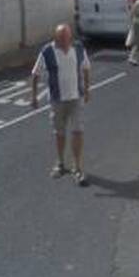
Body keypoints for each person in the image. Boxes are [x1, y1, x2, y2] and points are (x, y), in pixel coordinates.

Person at [30, 23, 92, 185]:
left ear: (71, 37)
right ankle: (60, 163)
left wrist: (87, 90)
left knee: (78, 131)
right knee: (59, 132)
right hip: (57, 100)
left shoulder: (78, 49)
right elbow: (35, 74)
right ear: (55, 38)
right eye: (61, 38)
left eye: (67, 38)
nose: (64, 42)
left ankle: (77, 168)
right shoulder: (47, 51)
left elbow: (86, 68)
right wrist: (34, 96)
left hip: (76, 98)